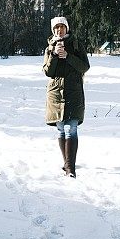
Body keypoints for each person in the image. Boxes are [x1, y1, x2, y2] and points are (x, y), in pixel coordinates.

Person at [42, 15, 90, 178]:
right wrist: (54, 55)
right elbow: (48, 72)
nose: (59, 30)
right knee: (61, 129)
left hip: (74, 91)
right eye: (56, 27)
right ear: (53, 30)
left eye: (62, 27)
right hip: (56, 93)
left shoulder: (76, 45)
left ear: (67, 28)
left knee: (72, 129)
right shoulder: (49, 47)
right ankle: (66, 163)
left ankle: (71, 168)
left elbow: (85, 67)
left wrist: (68, 57)